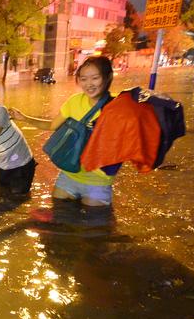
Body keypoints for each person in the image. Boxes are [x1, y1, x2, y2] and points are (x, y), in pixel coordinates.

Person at [9, 55, 116, 207]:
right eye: (83, 79)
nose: (89, 84)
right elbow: (53, 125)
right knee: (59, 213)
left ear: (107, 78)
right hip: (69, 175)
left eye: (95, 78)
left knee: (91, 226)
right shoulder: (74, 101)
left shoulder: (119, 106)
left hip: (98, 181)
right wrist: (24, 118)